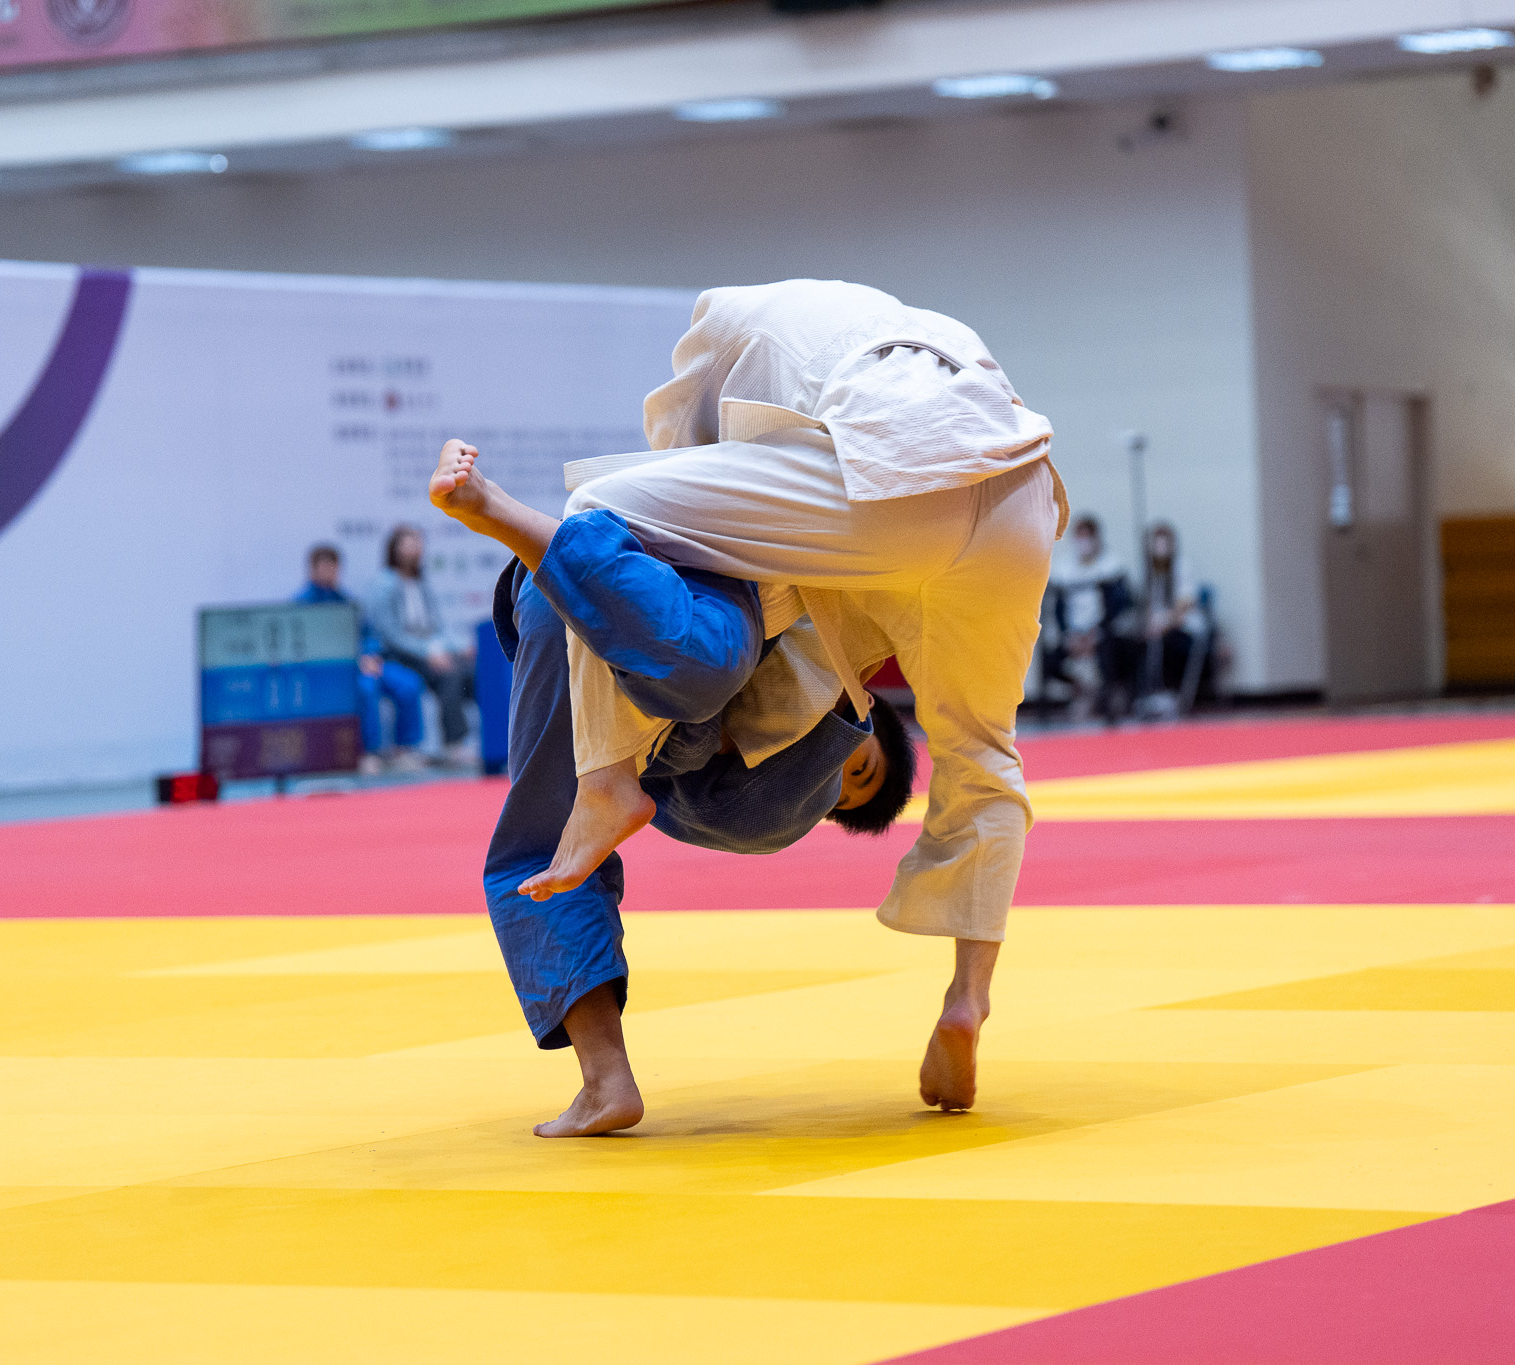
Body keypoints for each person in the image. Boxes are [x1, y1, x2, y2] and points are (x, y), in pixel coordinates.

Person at [432, 277, 1065, 1124]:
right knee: (984, 753)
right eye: (861, 767)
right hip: (1020, 485)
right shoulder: (739, 344)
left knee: (607, 526)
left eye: (845, 784)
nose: (842, 771)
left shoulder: (792, 399)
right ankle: (968, 998)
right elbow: (676, 485)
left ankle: (608, 787)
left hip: (884, 474)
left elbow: (675, 493)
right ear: (871, 722)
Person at [446, 481, 917, 1135]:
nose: (834, 783)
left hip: (635, 644)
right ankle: (603, 1080)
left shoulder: (750, 792)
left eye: (840, 800)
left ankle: (605, 1082)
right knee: (544, 849)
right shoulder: (825, 641)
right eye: (858, 769)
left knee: (551, 849)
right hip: (624, 587)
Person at [293, 544, 426, 774]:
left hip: (366, 664)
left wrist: (370, 655)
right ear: (312, 570)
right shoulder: (301, 606)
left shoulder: (347, 602)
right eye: (323, 567)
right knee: (366, 689)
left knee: (408, 683)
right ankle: (368, 753)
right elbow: (308, 648)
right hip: (334, 672)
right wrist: (355, 661)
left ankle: (404, 750)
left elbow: (368, 635)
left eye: (333, 567)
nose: (329, 572)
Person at [367, 525, 476, 766]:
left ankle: (495, 741)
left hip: (429, 650)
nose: (414, 549)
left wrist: (459, 647)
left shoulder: (421, 583)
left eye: (417, 544)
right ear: (394, 549)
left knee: (471, 672)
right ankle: (453, 744)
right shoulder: (383, 584)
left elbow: (437, 627)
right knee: (449, 674)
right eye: (407, 544)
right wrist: (427, 652)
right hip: (398, 654)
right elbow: (391, 634)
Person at [1043, 514, 1136, 722]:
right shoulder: (1064, 569)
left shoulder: (1111, 566)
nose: (1083, 542)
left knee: (1116, 653)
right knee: (1049, 661)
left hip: (1102, 634)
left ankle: (1108, 696)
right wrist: (1070, 636)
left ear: (1096, 538)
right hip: (1074, 635)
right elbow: (1058, 608)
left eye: (1088, 536)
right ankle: (1083, 691)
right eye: (1079, 536)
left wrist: (1096, 634)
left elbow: (1117, 607)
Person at [1139, 520, 1213, 705]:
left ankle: (1170, 692)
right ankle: (1144, 695)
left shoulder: (1182, 566)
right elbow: (1151, 607)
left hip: (1184, 627)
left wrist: (1165, 624)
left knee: (1168, 641)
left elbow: (1185, 603)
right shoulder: (1152, 573)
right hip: (1160, 627)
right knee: (1138, 643)